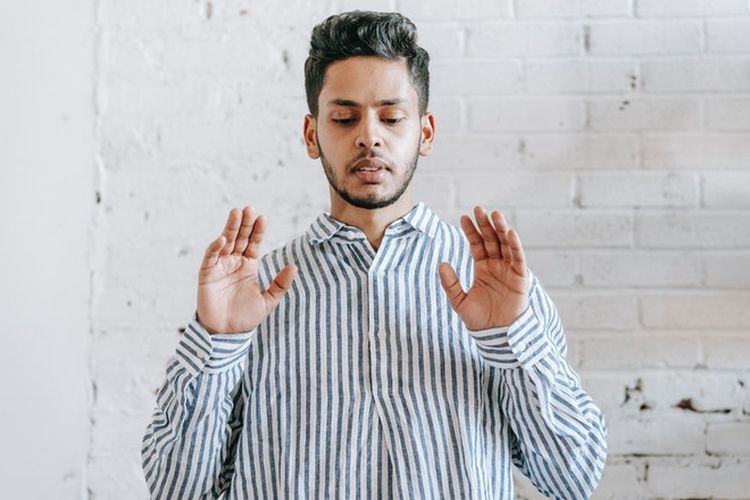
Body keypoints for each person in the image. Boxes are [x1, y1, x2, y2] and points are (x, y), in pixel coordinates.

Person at [141, 10, 607, 500]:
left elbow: (572, 480)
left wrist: (509, 339)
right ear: (310, 134)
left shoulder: (493, 285)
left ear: (425, 133)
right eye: (344, 118)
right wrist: (218, 343)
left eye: (391, 117)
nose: (369, 136)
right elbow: (177, 490)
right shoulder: (254, 295)